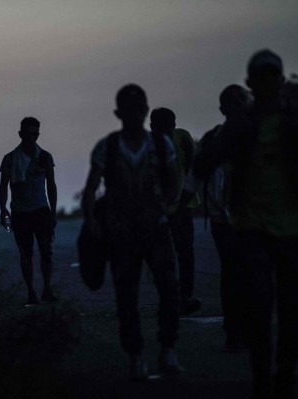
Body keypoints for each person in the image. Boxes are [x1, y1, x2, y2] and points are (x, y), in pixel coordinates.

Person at [192, 50, 298, 399]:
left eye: (273, 76)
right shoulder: (242, 125)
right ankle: (262, 378)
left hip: (293, 227)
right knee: (258, 307)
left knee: (292, 311)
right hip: (252, 229)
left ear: (280, 81)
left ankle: (283, 376)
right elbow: (205, 162)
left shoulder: (295, 120)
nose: (269, 83)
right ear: (252, 83)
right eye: (263, 77)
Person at [81, 84, 183, 380]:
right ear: (119, 113)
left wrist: (162, 208)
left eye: (138, 110)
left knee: (169, 289)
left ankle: (167, 348)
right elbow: (91, 188)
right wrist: (92, 222)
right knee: (127, 296)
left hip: (156, 229)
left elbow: (173, 183)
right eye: (129, 111)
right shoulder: (108, 146)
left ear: (145, 111)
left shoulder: (161, 145)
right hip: (121, 234)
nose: (134, 115)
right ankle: (137, 355)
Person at [179, 84, 252, 351]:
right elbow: (195, 176)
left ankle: (239, 330)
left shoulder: (248, 135)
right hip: (227, 219)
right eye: (233, 104)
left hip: (250, 218)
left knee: (241, 274)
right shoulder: (216, 139)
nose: (236, 109)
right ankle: (236, 330)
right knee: (236, 273)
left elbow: (193, 178)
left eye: (239, 103)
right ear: (224, 109)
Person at [0, 117, 58, 306]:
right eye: (29, 133)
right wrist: (3, 209)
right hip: (20, 213)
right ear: (21, 134)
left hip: (41, 210)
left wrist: (53, 212)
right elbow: (3, 186)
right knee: (26, 253)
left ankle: (46, 289)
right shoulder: (10, 159)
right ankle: (31, 291)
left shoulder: (45, 157)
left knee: (46, 251)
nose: (32, 137)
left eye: (35, 133)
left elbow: (51, 185)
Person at [150, 108, 201, 316]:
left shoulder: (182, 138)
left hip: (182, 206)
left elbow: (193, 167)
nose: (167, 131)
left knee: (185, 252)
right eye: (161, 127)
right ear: (152, 127)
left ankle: (184, 297)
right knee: (163, 256)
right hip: (158, 208)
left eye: (169, 126)